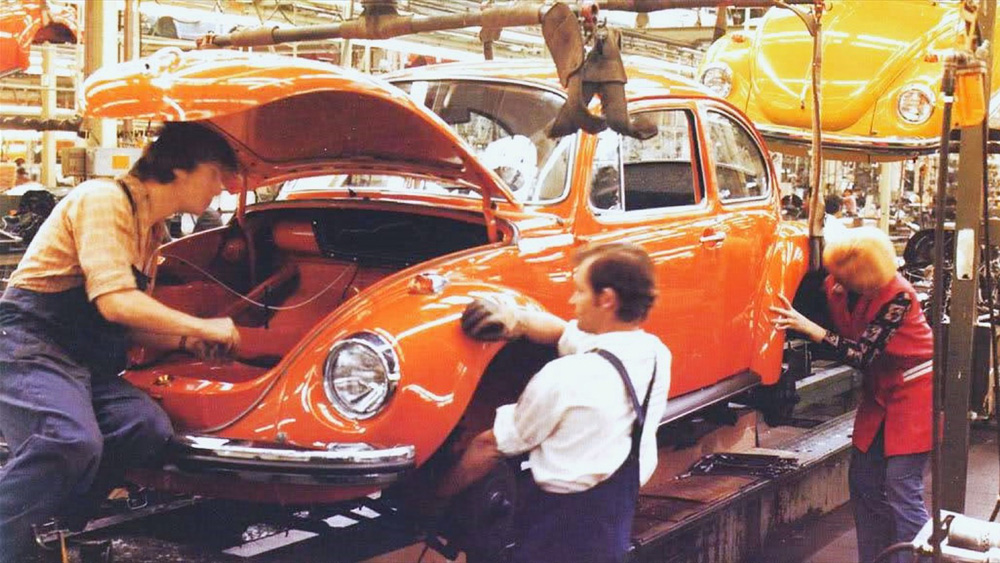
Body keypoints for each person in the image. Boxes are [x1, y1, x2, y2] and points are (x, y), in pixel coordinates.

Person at [0, 121, 242, 563]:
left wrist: (185, 340)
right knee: (67, 440)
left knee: (144, 427)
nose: (223, 190)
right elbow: (115, 303)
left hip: (79, 358)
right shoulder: (102, 199)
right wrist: (207, 326)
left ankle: (53, 529)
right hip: (26, 342)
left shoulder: (151, 231)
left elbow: (125, 323)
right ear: (182, 167)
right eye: (217, 174)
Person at [440, 242, 671, 563]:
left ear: (606, 299)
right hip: (610, 530)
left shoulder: (566, 376)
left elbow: (489, 445)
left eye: (578, 291)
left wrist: (436, 499)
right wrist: (518, 319)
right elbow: (562, 332)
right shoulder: (656, 355)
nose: (571, 300)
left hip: (554, 539)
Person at [770, 227, 932, 563]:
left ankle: (917, 559)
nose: (834, 283)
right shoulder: (837, 285)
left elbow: (862, 355)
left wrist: (810, 330)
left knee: (902, 486)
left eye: (841, 276)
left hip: (915, 389)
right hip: (880, 390)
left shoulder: (898, 297)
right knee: (864, 482)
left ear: (863, 277)